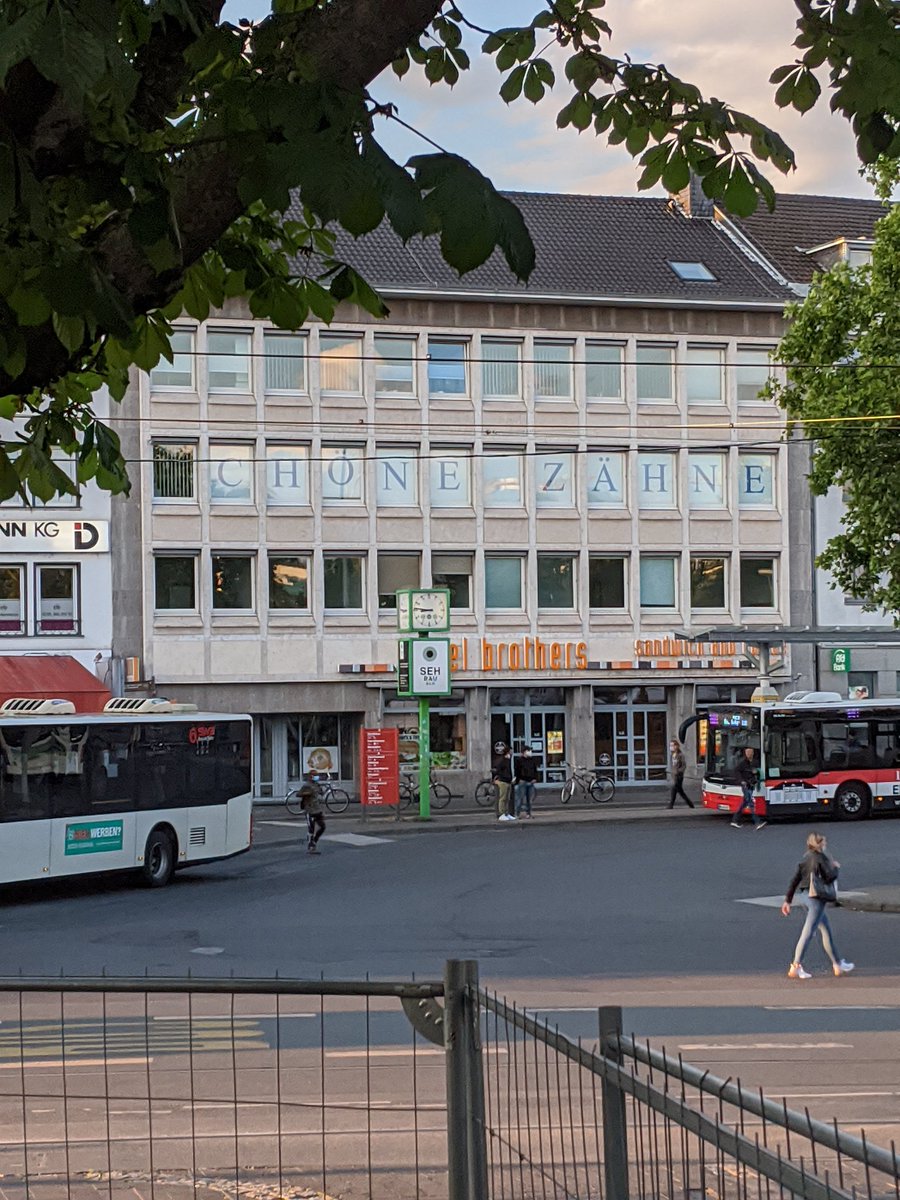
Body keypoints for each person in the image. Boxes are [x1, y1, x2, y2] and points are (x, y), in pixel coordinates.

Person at [781, 832, 854, 979]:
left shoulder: (805, 858)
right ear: (820, 844)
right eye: (824, 842)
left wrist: (787, 900)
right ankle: (796, 966)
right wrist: (835, 868)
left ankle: (837, 964)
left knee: (826, 930)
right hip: (816, 898)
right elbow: (828, 877)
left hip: (804, 897)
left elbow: (795, 880)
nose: (825, 845)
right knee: (808, 932)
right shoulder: (820, 858)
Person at [731, 746, 766, 829]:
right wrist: (741, 781)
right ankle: (757, 822)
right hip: (745, 785)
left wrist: (756, 774)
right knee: (751, 803)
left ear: (753, 753)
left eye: (750, 752)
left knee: (744, 803)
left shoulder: (755, 762)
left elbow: (757, 772)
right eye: (747, 752)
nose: (749, 754)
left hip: (751, 784)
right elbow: (736, 771)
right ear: (745, 753)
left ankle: (734, 821)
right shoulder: (743, 763)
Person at [296, 773, 326, 853]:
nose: (317, 777)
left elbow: (321, 793)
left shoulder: (317, 785)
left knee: (322, 827)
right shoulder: (306, 785)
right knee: (311, 828)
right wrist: (306, 794)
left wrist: (321, 790)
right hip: (309, 810)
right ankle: (311, 846)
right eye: (315, 776)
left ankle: (314, 841)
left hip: (317, 809)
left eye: (317, 776)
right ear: (311, 777)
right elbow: (298, 794)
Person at [666, 739, 695, 809]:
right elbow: (672, 765)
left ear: (676, 746)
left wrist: (679, 771)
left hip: (679, 776)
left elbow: (684, 765)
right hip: (674, 776)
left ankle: (671, 805)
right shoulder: (672, 755)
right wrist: (671, 771)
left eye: (672, 745)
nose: (671, 747)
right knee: (680, 791)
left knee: (674, 789)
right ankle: (690, 804)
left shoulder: (680, 755)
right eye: (670, 745)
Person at [492, 741, 515, 822]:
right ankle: (501, 814)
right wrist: (499, 778)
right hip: (503, 781)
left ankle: (506, 813)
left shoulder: (508, 760)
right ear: (508, 752)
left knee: (507, 799)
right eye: (511, 751)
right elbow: (498, 770)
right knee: (503, 798)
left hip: (508, 781)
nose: (512, 753)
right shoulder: (503, 760)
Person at [514, 746, 538, 818]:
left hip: (531, 782)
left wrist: (535, 778)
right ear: (524, 752)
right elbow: (517, 771)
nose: (530, 752)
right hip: (522, 781)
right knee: (520, 799)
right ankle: (517, 814)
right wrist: (518, 780)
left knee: (529, 800)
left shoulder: (532, 760)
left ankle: (528, 814)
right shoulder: (519, 760)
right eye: (528, 750)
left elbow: (535, 770)